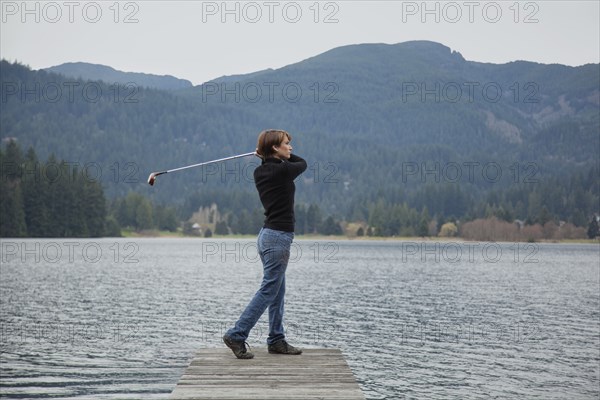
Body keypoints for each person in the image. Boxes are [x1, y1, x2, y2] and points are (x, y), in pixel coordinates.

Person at [223, 129, 307, 359]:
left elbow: (288, 161)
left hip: (267, 235)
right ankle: (237, 334)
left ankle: (276, 339)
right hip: (278, 237)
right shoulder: (282, 171)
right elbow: (303, 163)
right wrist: (272, 155)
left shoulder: (261, 171)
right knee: (270, 289)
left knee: (277, 289)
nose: (290, 147)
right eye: (287, 144)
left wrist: (267, 156)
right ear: (274, 148)